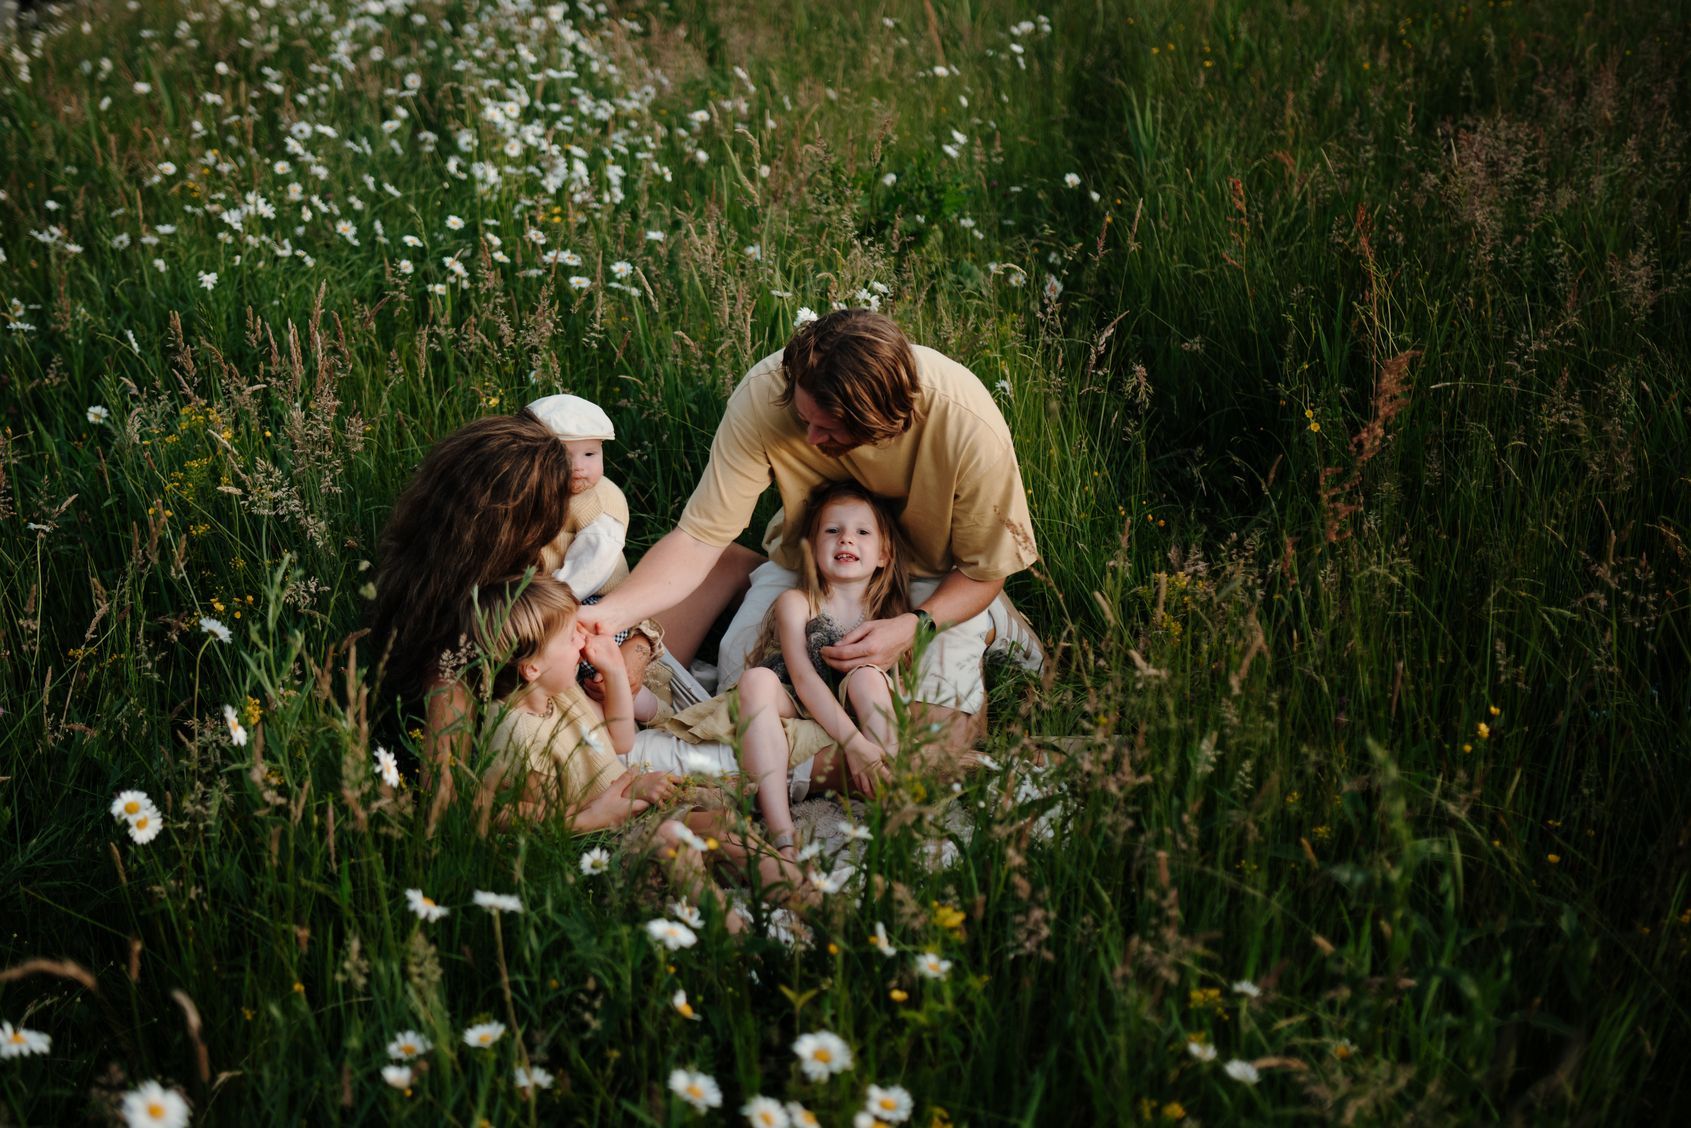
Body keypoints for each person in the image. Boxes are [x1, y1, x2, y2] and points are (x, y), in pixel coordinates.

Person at [580, 309, 1042, 762]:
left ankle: (993, 624)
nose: (813, 439)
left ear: (891, 423)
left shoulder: (967, 426)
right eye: (804, 421)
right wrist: (607, 618)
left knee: (933, 745)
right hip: (809, 567)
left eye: (830, 430)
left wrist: (916, 625)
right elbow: (699, 539)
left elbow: (984, 572)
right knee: (738, 703)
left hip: (935, 578)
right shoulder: (766, 395)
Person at [367, 408, 755, 832]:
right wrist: (582, 818)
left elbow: (607, 611)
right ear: (509, 526)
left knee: (728, 560)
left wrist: (637, 645)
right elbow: (448, 800)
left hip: (607, 672)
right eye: (555, 510)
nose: (568, 516)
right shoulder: (466, 635)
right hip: (592, 731)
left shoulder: (528, 568)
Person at [478, 574, 802, 911]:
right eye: (570, 636)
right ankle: (736, 933)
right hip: (598, 843)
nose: (582, 640)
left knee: (721, 823)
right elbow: (525, 819)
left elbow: (620, 740)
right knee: (683, 842)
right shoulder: (517, 734)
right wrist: (603, 810)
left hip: (627, 810)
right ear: (531, 668)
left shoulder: (557, 693)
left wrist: (616, 670)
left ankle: (800, 891)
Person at [735, 482, 910, 856]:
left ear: (884, 554)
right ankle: (782, 831)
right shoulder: (796, 602)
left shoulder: (887, 619)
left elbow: (893, 685)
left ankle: (894, 803)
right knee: (756, 680)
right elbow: (801, 678)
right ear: (813, 551)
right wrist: (855, 744)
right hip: (800, 696)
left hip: (857, 700)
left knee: (865, 677)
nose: (846, 539)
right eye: (833, 531)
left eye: (862, 532)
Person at [525, 392, 665, 715]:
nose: (578, 467)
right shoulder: (542, 494)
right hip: (555, 593)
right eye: (563, 455)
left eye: (590, 454)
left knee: (586, 655)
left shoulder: (601, 503)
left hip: (592, 599)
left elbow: (589, 568)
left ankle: (633, 709)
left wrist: (550, 603)